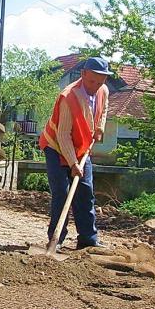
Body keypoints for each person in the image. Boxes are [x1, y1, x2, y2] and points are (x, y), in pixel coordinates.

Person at [38, 57, 110, 250]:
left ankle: (88, 239)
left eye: (100, 81)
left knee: (85, 192)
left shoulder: (103, 90)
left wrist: (100, 127)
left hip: (81, 148)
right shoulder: (68, 97)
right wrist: (72, 164)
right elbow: (63, 135)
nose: (95, 86)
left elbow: (103, 111)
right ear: (83, 74)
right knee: (62, 192)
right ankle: (56, 239)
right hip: (56, 146)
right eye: (91, 81)